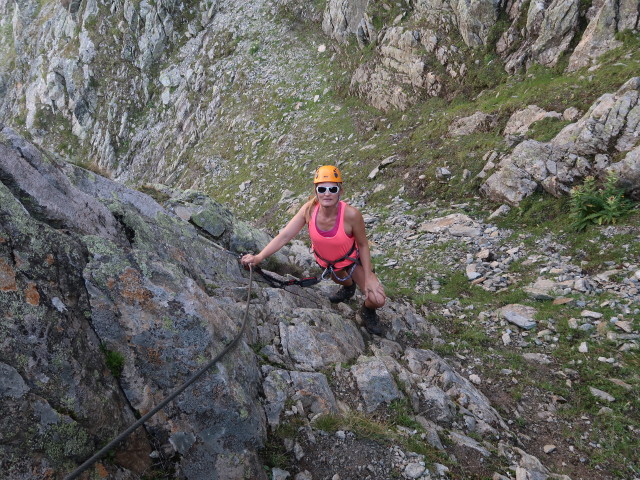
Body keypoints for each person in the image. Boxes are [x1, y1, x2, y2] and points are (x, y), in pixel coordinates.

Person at [240, 165, 386, 334]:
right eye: (322, 189)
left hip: (352, 262)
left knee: (377, 299)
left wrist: (368, 277)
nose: (327, 193)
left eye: (333, 188)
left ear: (340, 191)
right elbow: (285, 236)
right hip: (329, 264)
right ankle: (348, 287)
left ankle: (367, 311)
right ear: (316, 190)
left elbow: (362, 245)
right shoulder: (309, 210)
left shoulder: (351, 215)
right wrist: (258, 258)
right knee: (341, 280)